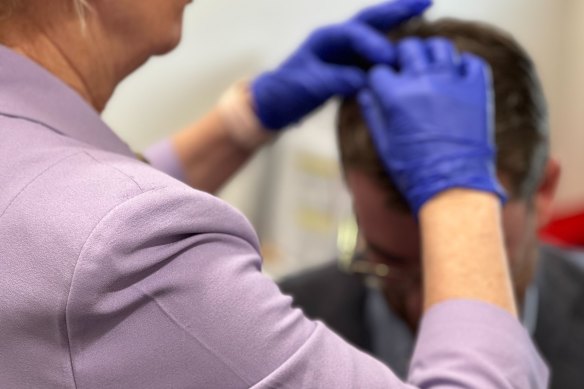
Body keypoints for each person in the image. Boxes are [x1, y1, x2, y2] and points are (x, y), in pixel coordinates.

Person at [0, 0, 547, 387]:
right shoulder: (125, 245)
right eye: (390, 263)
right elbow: (96, 239)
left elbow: (63, 226)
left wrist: (241, 123)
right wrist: (459, 190)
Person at [279, 18, 584, 389]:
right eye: (389, 262)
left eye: (473, 259)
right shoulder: (280, 331)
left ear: (544, 190)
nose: (425, 308)